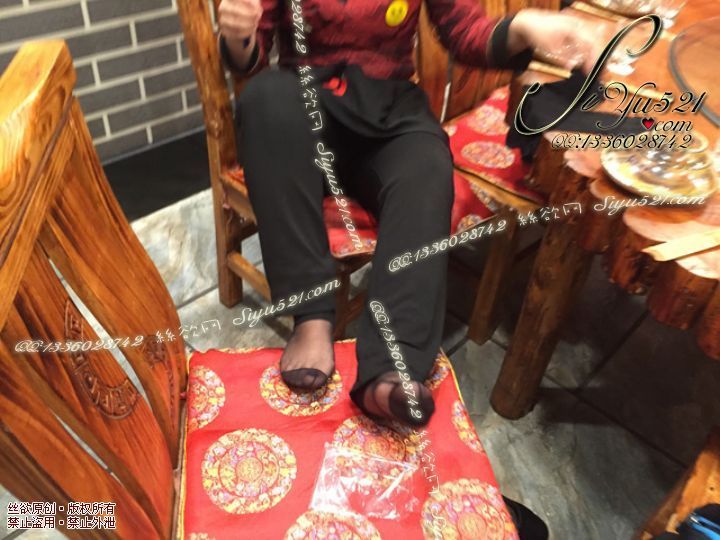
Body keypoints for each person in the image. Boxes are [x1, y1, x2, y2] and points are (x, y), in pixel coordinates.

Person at [217, 0, 598, 428]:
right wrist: (238, 35)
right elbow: (248, 57)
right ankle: (311, 315)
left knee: (427, 164)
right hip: (302, 110)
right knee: (265, 97)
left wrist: (523, 27)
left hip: (389, 111)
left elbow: (465, 33)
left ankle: (391, 363)